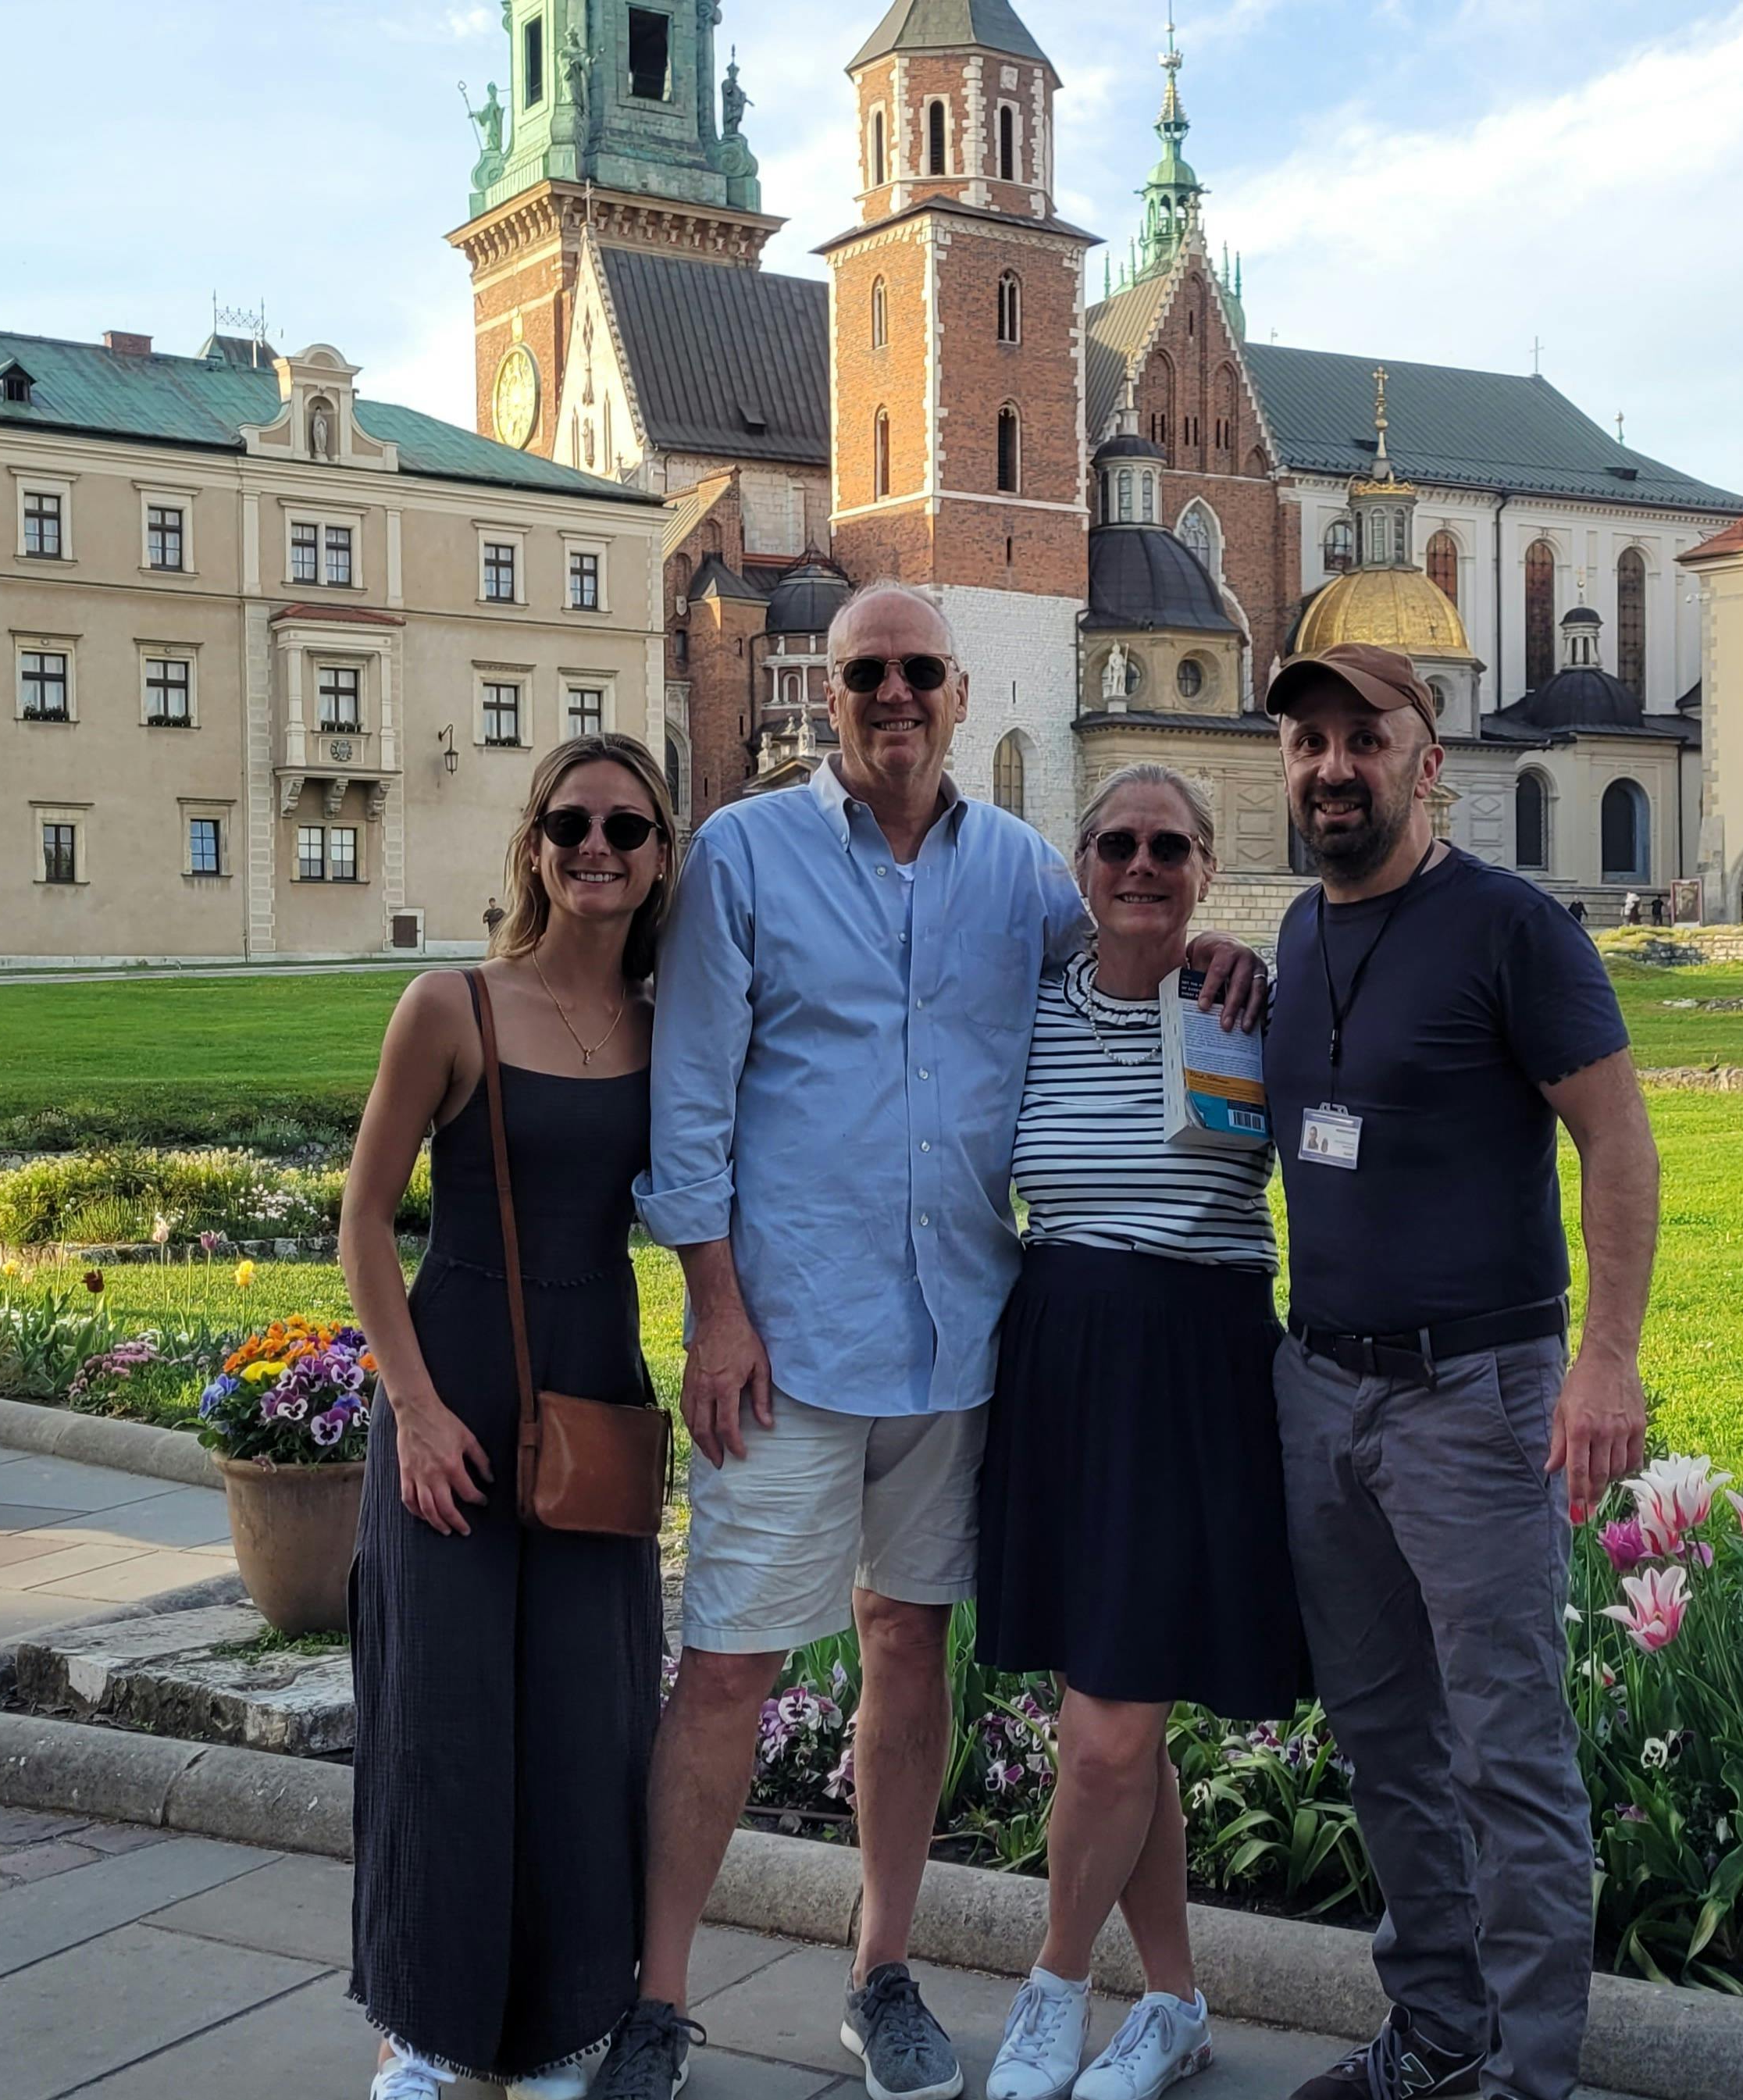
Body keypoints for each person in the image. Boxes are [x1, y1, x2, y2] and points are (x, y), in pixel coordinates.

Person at [604, 583, 1264, 2100]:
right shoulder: (743, 856)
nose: (894, 695)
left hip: (965, 1339)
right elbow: (689, 1101)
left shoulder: (1024, 871)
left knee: (909, 1645)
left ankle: (881, 1969)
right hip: (786, 1338)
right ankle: (658, 1997)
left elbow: (1129, 948)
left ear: (960, 693)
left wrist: (1229, 956)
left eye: (920, 671)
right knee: (728, 1668)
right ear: (825, 694)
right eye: (867, 674)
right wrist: (714, 1307)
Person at [1259, 644, 1663, 2100]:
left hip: (1474, 1394)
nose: (1333, 767)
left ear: (1427, 763)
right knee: (1384, 1740)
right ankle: (1436, 2029)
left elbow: (1617, 1139)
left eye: (1363, 738)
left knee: (1507, 1752)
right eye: (1308, 741)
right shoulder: (1296, 932)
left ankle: (1528, 2076)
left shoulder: (1510, 927)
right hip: (1325, 1391)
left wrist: (1605, 1357)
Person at [337, 734, 683, 2100]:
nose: (598, 846)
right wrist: (414, 1407)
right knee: (445, 1712)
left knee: (589, 1718)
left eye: (627, 828)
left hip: (593, 1385)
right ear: (535, 844)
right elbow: (365, 1221)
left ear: (660, 859)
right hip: (460, 1385)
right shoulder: (452, 1006)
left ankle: (563, 2025)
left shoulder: (668, 1025)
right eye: (572, 823)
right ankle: (422, 2031)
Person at [975, 764, 1303, 2100]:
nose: (1142, 866)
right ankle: (1171, 2001)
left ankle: (1055, 1984)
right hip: (1061, 1358)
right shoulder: (1027, 1009)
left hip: (1194, 1365)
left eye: (1171, 847)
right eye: (1117, 843)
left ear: (1207, 869)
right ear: (1081, 866)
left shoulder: (1244, 1006)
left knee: (1109, 1728)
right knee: (1116, 1705)